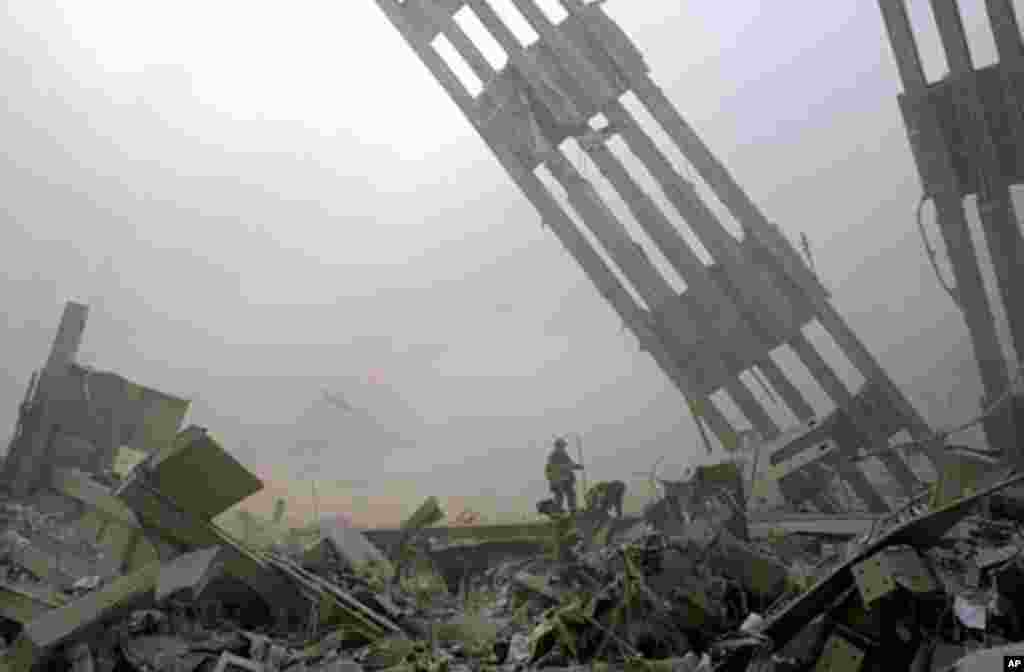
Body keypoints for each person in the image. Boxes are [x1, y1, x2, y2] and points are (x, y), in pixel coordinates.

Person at [545, 437, 583, 513]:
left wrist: (577, 466)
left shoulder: (564, 455)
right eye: (562, 446)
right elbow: (555, 467)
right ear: (557, 446)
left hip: (566, 479)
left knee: (571, 494)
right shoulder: (553, 456)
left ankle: (573, 509)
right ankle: (557, 511)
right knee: (559, 496)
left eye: (563, 446)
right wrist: (567, 466)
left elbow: (570, 464)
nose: (563, 448)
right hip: (557, 480)